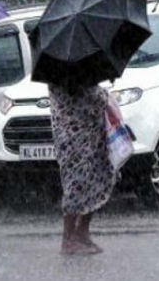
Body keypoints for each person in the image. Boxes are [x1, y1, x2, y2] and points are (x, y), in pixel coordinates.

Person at [46, 73, 114, 255]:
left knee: (95, 183)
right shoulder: (63, 77)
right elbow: (91, 100)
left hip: (91, 139)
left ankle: (82, 233)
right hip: (74, 142)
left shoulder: (79, 72)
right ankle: (68, 238)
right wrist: (104, 95)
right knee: (76, 186)